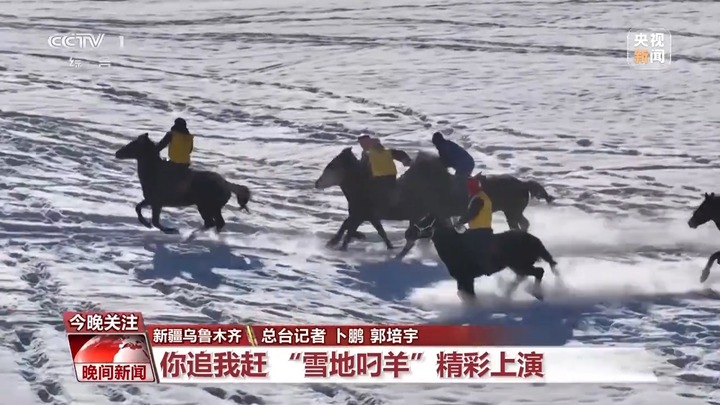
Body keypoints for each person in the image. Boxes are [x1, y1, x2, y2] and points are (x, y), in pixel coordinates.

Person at [357, 135, 411, 209]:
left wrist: (406, 160)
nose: (362, 145)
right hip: (383, 178)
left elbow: (363, 167)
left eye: (363, 143)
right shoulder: (370, 153)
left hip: (383, 178)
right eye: (361, 143)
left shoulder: (370, 154)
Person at [455, 177, 494, 274]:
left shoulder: (477, 199)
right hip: (485, 229)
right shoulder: (483, 196)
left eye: (468, 188)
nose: (467, 191)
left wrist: (459, 222)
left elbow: (471, 214)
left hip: (478, 231)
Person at [156, 118, 194, 195]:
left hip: (174, 163)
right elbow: (190, 150)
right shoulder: (189, 137)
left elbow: (160, 146)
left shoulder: (172, 134)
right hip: (185, 164)